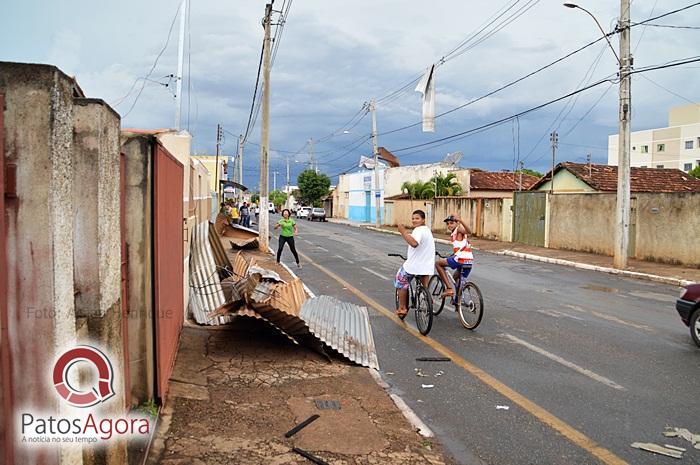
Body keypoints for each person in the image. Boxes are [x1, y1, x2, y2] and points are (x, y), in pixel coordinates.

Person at [394, 210, 435, 319]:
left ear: (423, 220)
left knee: (401, 281)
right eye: (413, 218)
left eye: (417, 218)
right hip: (426, 266)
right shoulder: (427, 230)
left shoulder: (418, 230)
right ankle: (427, 299)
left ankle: (402, 308)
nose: (414, 220)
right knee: (424, 287)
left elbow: (414, 243)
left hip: (414, 266)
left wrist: (403, 231)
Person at [435, 214, 473, 298]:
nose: (449, 225)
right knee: (456, 278)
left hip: (460, 260)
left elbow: (469, 232)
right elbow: (460, 249)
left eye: (451, 223)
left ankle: (449, 288)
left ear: (457, 223)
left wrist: (461, 220)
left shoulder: (458, 229)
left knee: (438, 264)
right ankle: (457, 302)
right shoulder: (455, 234)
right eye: (447, 224)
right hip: (469, 261)